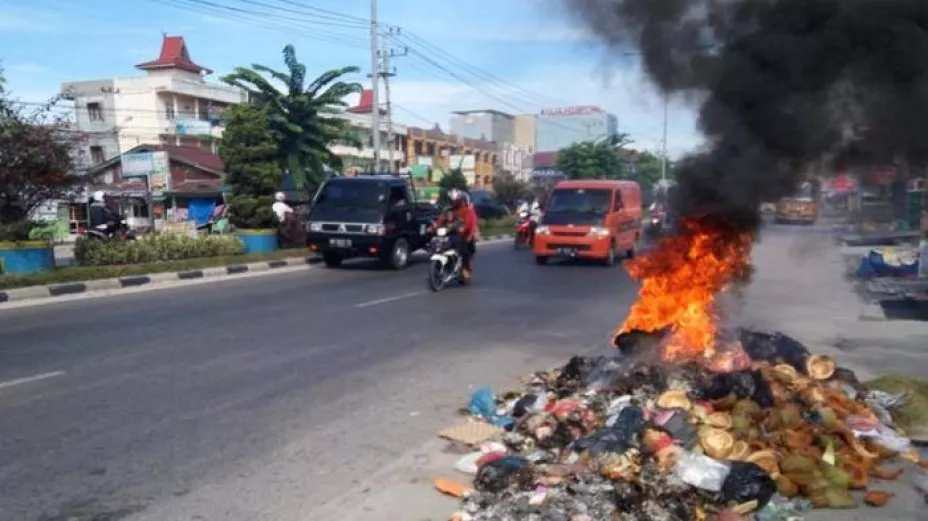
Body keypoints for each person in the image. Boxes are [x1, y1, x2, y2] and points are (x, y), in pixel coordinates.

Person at [435, 189, 478, 279]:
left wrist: (466, 231)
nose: (453, 203)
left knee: (465, 252)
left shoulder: (468, 210)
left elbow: (471, 224)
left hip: (465, 236)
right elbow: (440, 219)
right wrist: (433, 227)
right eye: (452, 201)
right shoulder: (449, 210)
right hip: (452, 234)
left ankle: (465, 268)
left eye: (455, 201)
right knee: (438, 243)